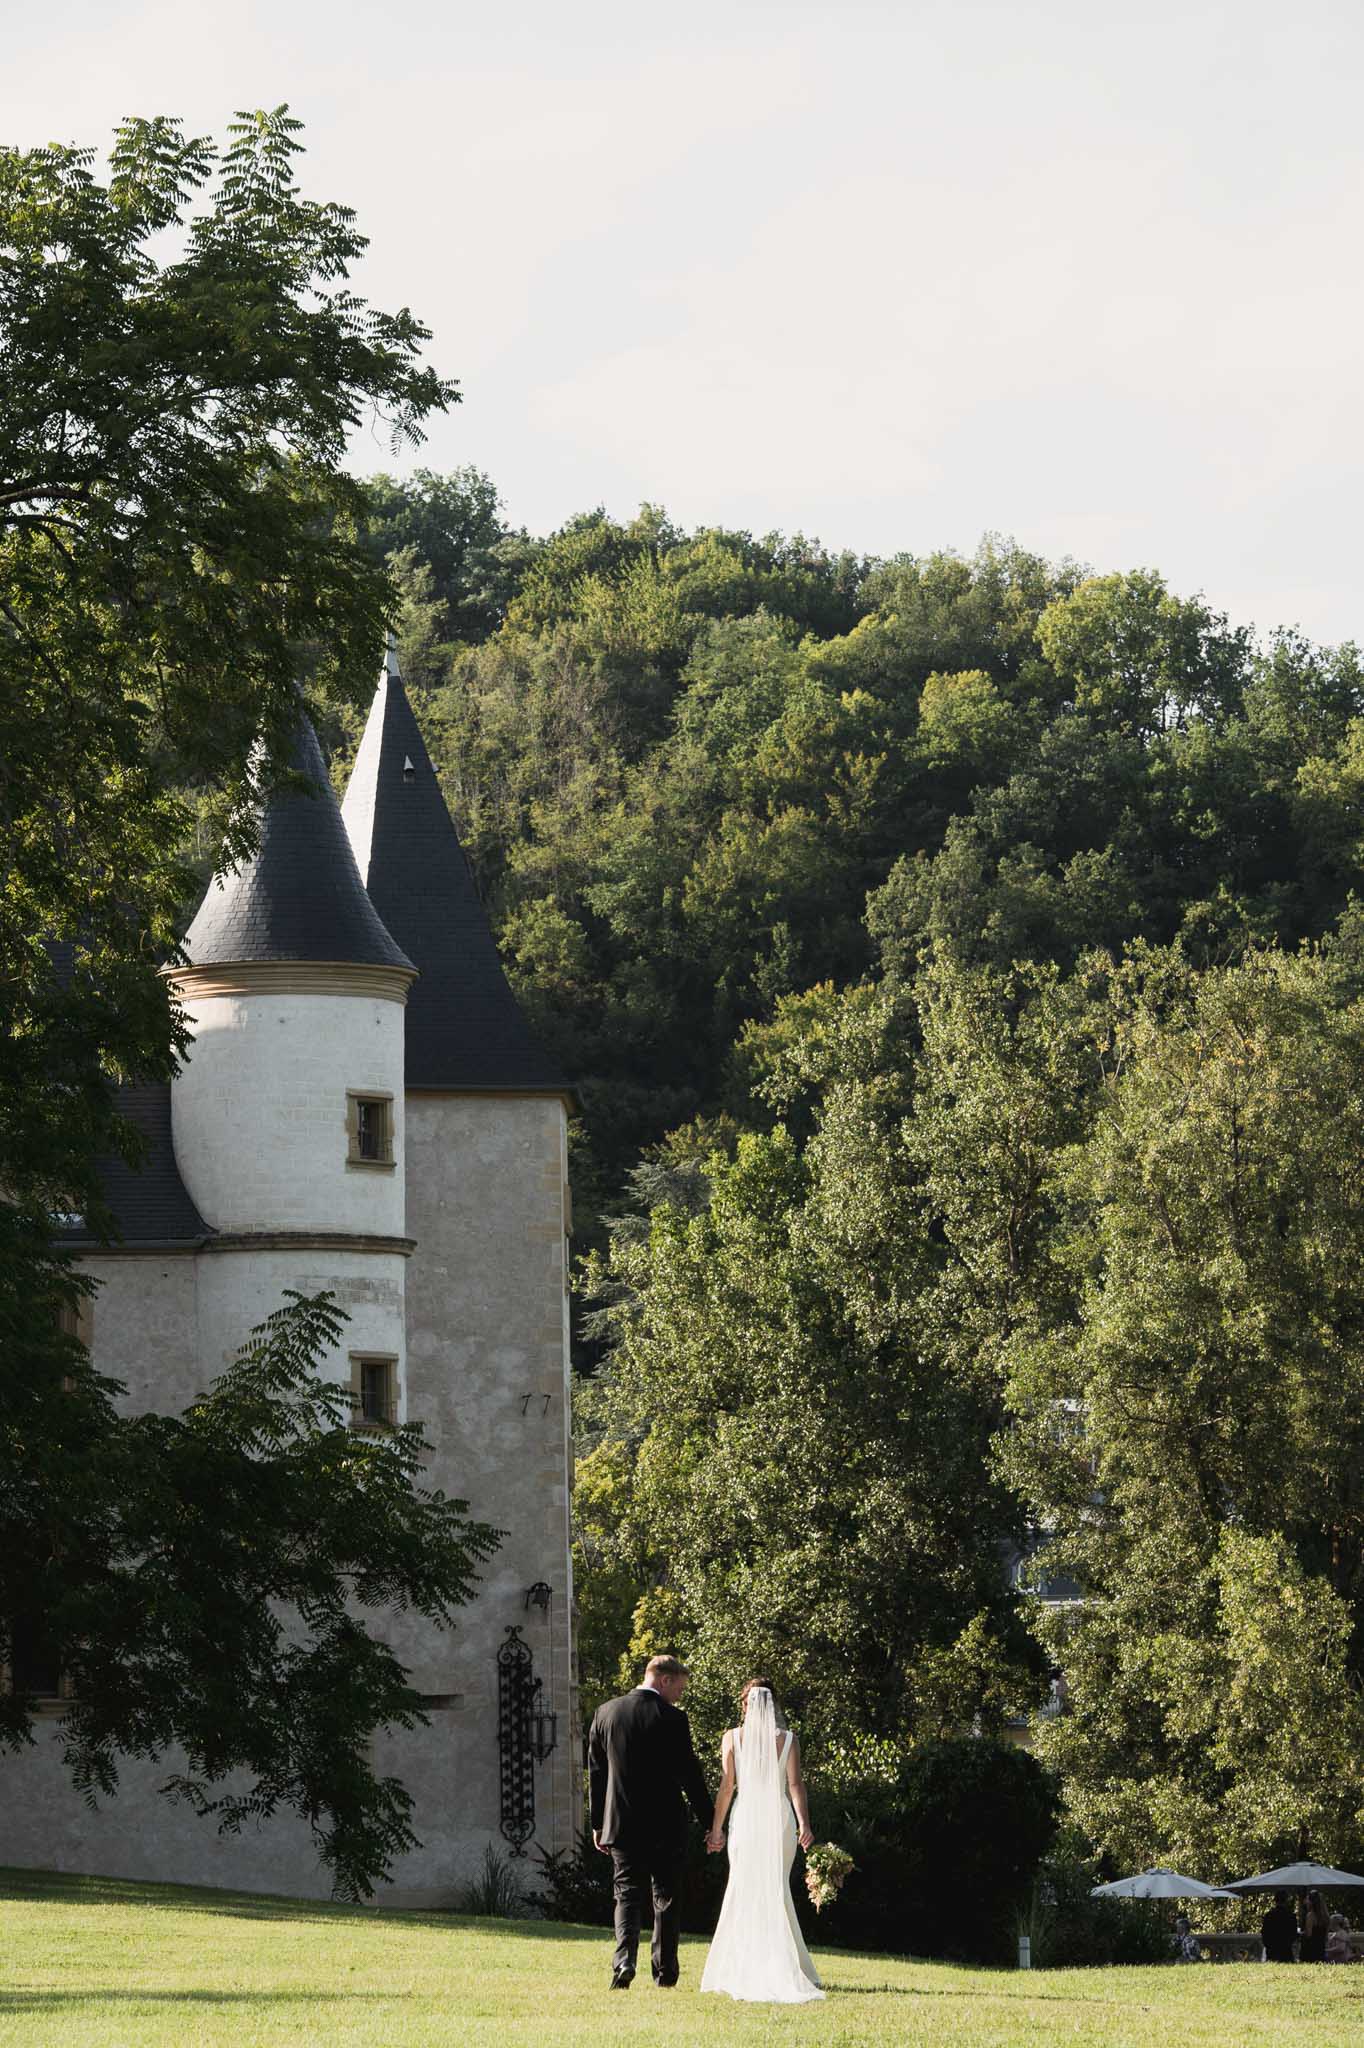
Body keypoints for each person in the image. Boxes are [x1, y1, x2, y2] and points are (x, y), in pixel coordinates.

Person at [587, 1653, 713, 1992]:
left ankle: (624, 1961)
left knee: (626, 1894)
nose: (680, 1695)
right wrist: (711, 1821)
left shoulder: (605, 1713)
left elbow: (597, 1776)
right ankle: (665, 1973)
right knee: (666, 1897)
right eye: (680, 1688)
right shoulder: (673, 1719)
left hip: (622, 1823)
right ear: (664, 1679)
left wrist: (598, 1823)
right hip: (665, 1824)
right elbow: (690, 1775)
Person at [700, 1678, 824, 2004]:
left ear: (745, 1705)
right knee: (776, 1887)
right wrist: (803, 1824)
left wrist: (716, 1829)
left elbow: (727, 1788)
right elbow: (795, 1786)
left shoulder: (732, 1738)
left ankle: (740, 1965)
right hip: (778, 1818)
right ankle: (784, 1964)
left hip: (745, 1817)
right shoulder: (788, 1740)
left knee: (742, 1886)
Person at [1261, 1893, 1299, 1962]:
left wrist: (1268, 1946)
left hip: (1272, 1950)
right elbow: (1294, 1934)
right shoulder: (1291, 1916)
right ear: (1286, 1901)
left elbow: (1264, 1933)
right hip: (1286, 1950)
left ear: (1275, 1901)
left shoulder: (1269, 1915)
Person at [1301, 1889, 1329, 1963]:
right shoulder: (1326, 1916)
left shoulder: (1310, 1916)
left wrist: (1302, 1933)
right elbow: (1326, 1936)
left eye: (1307, 1899)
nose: (1305, 1901)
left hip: (1311, 1949)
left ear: (1311, 1902)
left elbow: (1309, 1934)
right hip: (1321, 1948)